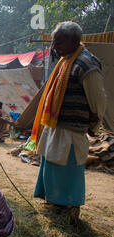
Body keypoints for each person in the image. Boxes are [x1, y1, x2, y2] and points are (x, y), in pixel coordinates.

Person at [31, 21, 106, 225]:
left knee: (68, 167)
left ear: (74, 40)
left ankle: (69, 205)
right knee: (52, 163)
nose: (55, 47)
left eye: (59, 42)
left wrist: (93, 123)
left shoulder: (86, 63)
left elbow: (98, 99)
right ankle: (55, 201)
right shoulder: (66, 61)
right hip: (56, 125)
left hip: (72, 128)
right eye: (54, 42)